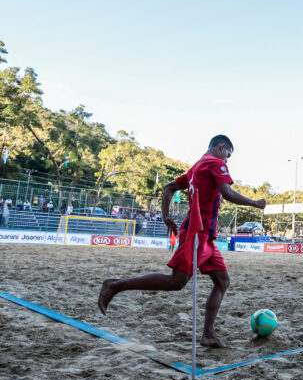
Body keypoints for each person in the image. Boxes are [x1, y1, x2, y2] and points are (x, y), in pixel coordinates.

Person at [97, 135, 266, 348]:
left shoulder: (196, 167)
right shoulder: (215, 163)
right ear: (222, 147)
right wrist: (255, 203)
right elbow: (227, 192)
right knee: (177, 281)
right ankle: (114, 285)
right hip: (197, 233)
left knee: (222, 281)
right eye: (228, 156)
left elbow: (169, 187)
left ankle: (208, 335)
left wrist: (166, 215)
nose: (227, 161)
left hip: (206, 236)